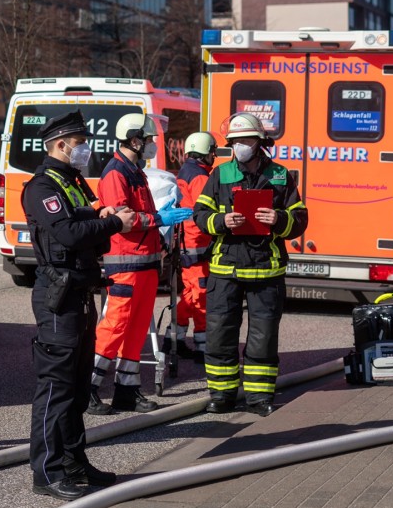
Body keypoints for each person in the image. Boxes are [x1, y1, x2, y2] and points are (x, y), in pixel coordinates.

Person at [22, 110, 135, 501]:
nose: (84, 149)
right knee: (55, 388)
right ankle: (47, 471)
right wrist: (113, 223)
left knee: (76, 385)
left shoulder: (70, 182)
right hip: (58, 295)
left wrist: (99, 217)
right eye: (80, 143)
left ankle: (74, 462)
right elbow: (69, 234)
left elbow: (87, 228)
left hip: (80, 290)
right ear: (60, 145)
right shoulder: (41, 186)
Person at [193, 113, 307, 417]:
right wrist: (222, 221)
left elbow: (300, 219)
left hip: (266, 271)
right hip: (225, 270)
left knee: (263, 336)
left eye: (246, 140)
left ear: (260, 142)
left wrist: (280, 219)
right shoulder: (220, 175)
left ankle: (258, 398)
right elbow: (200, 215)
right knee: (219, 334)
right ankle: (222, 395)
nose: (240, 146)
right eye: (235, 141)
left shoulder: (281, 176)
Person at [91, 113, 192, 414]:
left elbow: (139, 216)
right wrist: (160, 219)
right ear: (134, 139)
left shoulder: (135, 171)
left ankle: (127, 390)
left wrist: (159, 240)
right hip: (126, 264)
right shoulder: (116, 174)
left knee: (135, 330)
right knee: (116, 326)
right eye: (148, 140)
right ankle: (89, 387)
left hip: (145, 264)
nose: (151, 145)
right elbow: (122, 220)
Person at [168, 131, 219, 363]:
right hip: (197, 243)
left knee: (191, 292)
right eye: (212, 152)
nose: (214, 156)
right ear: (204, 153)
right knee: (200, 295)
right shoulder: (199, 177)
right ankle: (202, 348)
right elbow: (205, 211)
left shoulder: (186, 171)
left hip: (188, 242)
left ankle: (174, 338)